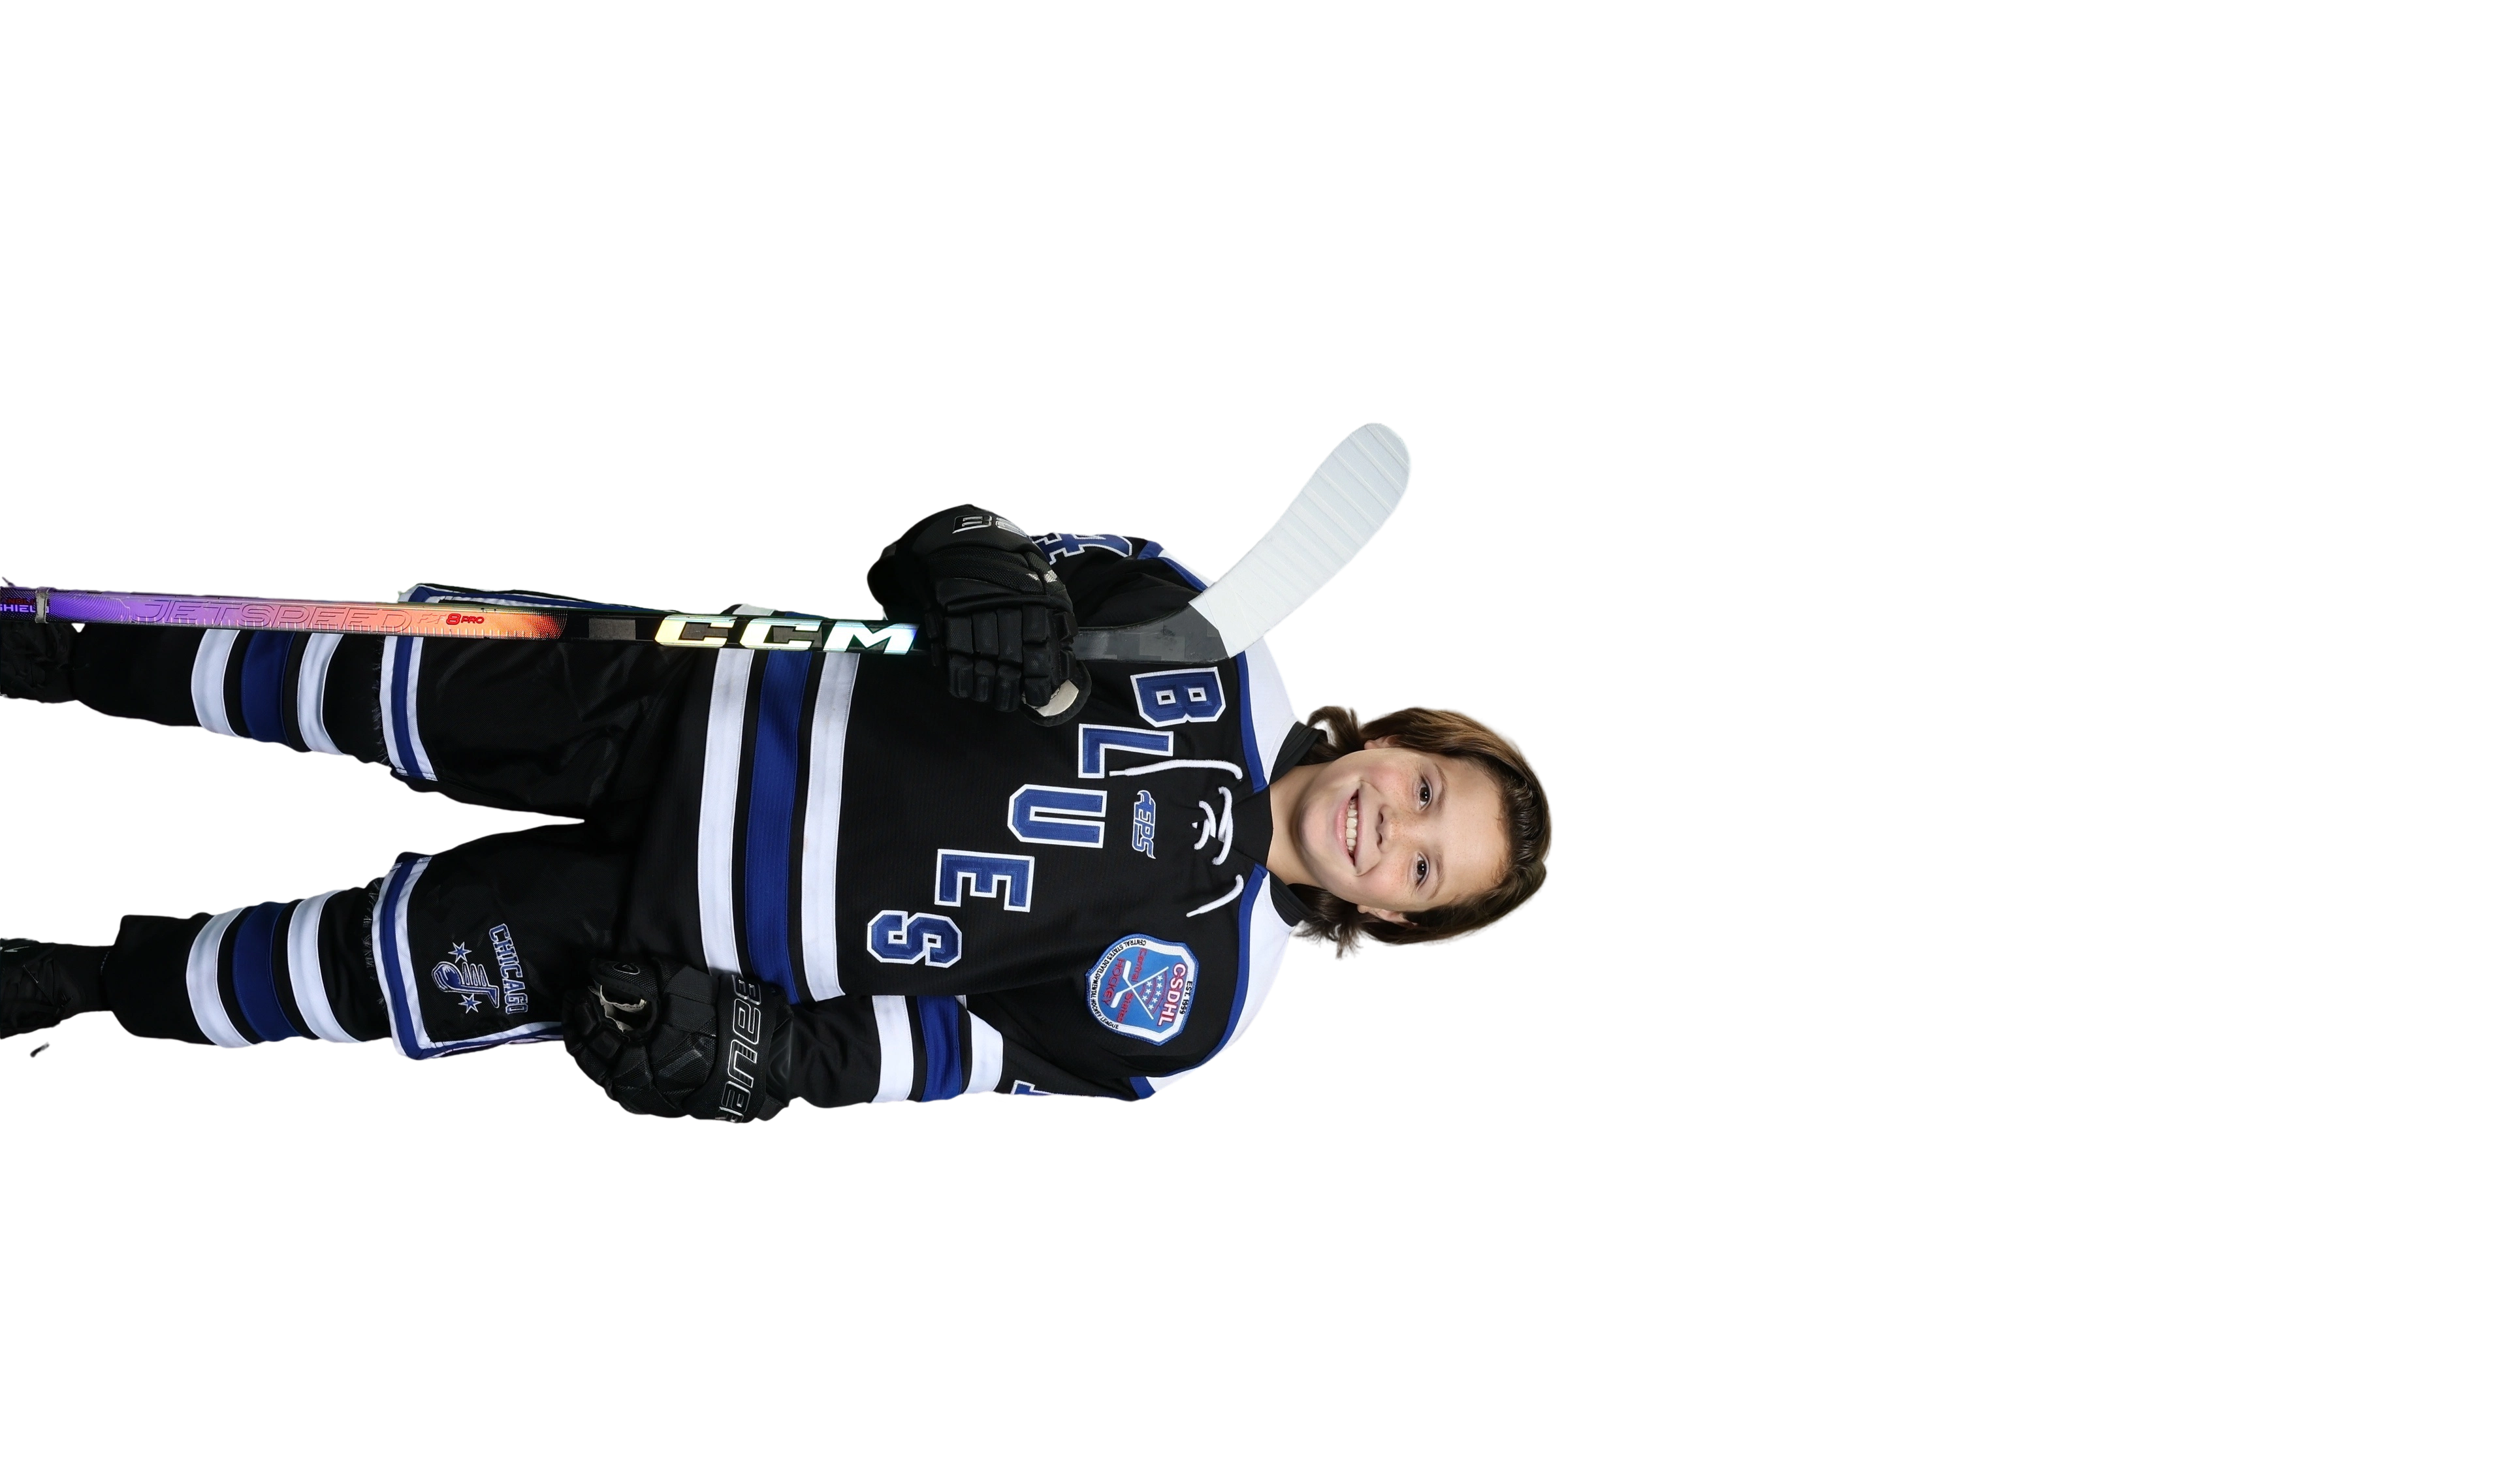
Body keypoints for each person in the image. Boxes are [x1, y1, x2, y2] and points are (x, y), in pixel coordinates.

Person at [0, 512, 1554, 1120]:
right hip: (682, 700)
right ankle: (56, 649)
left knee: (366, 973)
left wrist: (767, 1059)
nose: (1391, 828)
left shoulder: (1197, 1006)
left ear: (1390, 915)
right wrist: (976, 571)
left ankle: (73, 982)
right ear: (1396, 735)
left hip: (674, 938)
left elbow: (958, 1048)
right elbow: (983, 547)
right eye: (1427, 787)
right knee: (353, 675)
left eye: (1425, 868)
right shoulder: (1212, 639)